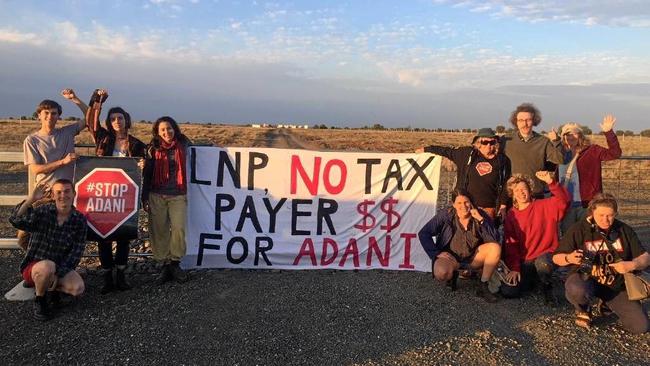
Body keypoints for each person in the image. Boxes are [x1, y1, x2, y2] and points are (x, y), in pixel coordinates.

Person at [553, 194, 649, 333]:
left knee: (641, 327)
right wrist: (569, 258)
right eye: (601, 215)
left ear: (615, 213)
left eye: (610, 215)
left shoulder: (623, 230)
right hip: (587, 279)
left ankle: (606, 303)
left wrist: (632, 265)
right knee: (576, 289)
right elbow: (557, 257)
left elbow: (645, 257)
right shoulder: (579, 229)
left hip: (615, 284)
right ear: (592, 212)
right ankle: (583, 309)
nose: (605, 220)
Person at [85, 89, 147, 294]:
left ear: (126, 120)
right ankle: (107, 277)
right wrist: (98, 100)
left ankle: (121, 275)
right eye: (113, 118)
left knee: (123, 236)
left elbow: (144, 168)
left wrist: (143, 166)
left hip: (126, 195)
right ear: (109, 122)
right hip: (103, 194)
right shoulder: (103, 138)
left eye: (120, 117)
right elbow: (91, 121)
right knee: (103, 236)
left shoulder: (137, 144)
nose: (117, 121)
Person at [18, 89, 88, 250]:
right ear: (39, 115)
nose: (50, 116)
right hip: (44, 195)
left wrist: (75, 99)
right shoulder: (32, 140)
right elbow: (36, 169)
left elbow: (89, 117)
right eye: (46, 113)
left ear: (58, 116)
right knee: (30, 238)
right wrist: (63, 161)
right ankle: (36, 270)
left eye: (54, 113)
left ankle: (60, 271)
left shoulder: (67, 132)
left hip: (66, 195)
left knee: (63, 237)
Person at [9, 180, 88, 321]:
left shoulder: (80, 220)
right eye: (58, 192)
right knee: (47, 266)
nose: (63, 195)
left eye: (67, 191)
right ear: (53, 194)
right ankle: (40, 300)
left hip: (58, 267)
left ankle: (51, 288)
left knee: (78, 288)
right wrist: (31, 200)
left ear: (74, 194)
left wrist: (59, 273)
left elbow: (77, 251)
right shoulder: (43, 211)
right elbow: (16, 220)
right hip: (35, 266)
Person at [418, 189, 502, 303]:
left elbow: (495, 239)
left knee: (495, 248)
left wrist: (481, 220)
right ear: (453, 204)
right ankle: (452, 275)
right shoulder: (446, 215)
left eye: (466, 202)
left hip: (473, 258)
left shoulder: (479, 214)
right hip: (450, 257)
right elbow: (424, 233)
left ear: (471, 203)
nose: (463, 206)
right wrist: (435, 253)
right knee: (441, 273)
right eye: (459, 203)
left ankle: (483, 286)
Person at [501, 171, 570, 303]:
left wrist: (552, 183)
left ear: (530, 190)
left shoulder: (544, 205)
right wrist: (515, 268)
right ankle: (534, 281)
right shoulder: (511, 215)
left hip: (546, 254)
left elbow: (564, 201)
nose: (521, 193)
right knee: (509, 292)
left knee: (542, 264)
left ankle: (547, 288)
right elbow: (512, 245)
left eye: (524, 189)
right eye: (517, 190)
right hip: (526, 260)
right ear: (512, 194)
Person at [416, 128, 511, 221]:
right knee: (464, 233)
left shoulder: (503, 161)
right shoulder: (466, 154)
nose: (488, 145)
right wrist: (427, 149)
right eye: (485, 142)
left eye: (492, 142)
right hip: (465, 206)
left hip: (489, 209)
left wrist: (503, 205)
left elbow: (505, 185)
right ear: (478, 143)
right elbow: (447, 151)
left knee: (486, 234)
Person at [142, 116, 192, 284]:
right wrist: (144, 196)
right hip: (156, 195)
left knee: (178, 228)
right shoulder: (152, 148)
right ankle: (164, 265)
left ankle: (175, 262)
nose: (166, 132)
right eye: (162, 129)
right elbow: (147, 174)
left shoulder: (184, 143)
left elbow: (201, 152)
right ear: (157, 132)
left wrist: (216, 149)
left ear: (174, 129)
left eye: (169, 128)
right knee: (159, 230)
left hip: (178, 194)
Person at [558, 115, 621, 234]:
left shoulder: (592, 150)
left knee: (589, 234)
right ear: (563, 137)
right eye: (567, 134)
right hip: (565, 204)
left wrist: (609, 132)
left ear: (580, 135)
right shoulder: (558, 154)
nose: (571, 136)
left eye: (574, 133)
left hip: (587, 203)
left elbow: (615, 153)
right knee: (568, 235)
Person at [500, 103, 563, 198]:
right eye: (521, 120)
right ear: (516, 122)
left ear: (534, 121)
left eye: (528, 120)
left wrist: (556, 141)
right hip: (514, 194)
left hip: (536, 194)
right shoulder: (506, 140)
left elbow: (559, 160)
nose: (525, 124)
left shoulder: (543, 141)